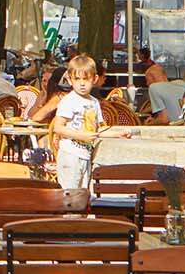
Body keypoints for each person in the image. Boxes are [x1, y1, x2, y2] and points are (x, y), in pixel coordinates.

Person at [49, 55, 128, 192]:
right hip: (70, 154)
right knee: (70, 193)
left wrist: (117, 134)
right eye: (77, 79)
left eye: (86, 79)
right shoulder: (69, 101)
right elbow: (58, 127)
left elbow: (98, 129)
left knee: (84, 192)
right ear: (69, 79)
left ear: (95, 79)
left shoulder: (94, 102)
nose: (82, 84)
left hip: (85, 154)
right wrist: (80, 136)